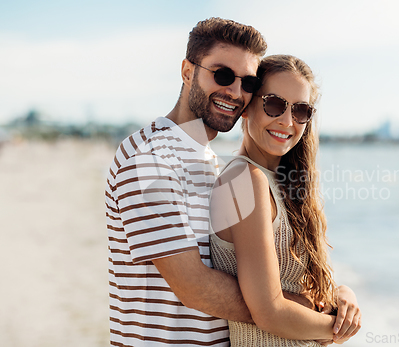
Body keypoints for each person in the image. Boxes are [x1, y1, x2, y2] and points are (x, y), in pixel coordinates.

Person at [106, 17, 360, 347]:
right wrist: (307, 309)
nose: (235, 91)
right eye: (222, 75)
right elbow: (194, 287)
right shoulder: (153, 159)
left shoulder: (207, 161)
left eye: (248, 82)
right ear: (187, 71)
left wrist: (332, 293)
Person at [209, 55, 362, 346]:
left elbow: (296, 286)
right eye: (274, 104)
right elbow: (270, 311)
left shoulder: (283, 183)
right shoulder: (244, 179)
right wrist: (336, 326)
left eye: (301, 110)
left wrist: (341, 295)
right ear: (247, 106)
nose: (287, 121)